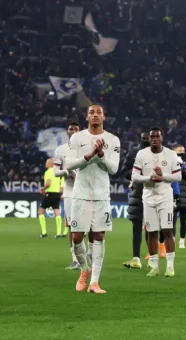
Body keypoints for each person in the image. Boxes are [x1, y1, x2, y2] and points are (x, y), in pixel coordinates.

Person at [64, 104, 121, 294]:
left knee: (99, 236)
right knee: (76, 237)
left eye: (99, 112)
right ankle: (84, 269)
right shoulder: (77, 138)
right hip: (80, 194)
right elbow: (69, 164)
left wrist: (102, 155)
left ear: (104, 117)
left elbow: (114, 169)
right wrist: (89, 156)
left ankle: (94, 282)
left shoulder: (113, 140)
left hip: (101, 195)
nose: (95, 115)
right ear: (86, 117)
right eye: (91, 112)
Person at [131, 128, 182, 277]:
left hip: (165, 198)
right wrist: (149, 178)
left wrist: (162, 176)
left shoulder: (170, 154)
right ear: (149, 139)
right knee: (151, 232)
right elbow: (134, 176)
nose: (154, 139)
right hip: (148, 198)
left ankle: (170, 266)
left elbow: (178, 176)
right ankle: (154, 266)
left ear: (162, 138)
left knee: (167, 231)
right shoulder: (142, 154)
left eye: (157, 136)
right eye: (151, 136)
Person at [54, 121, 83, 269]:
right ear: (67, 132)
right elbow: (55, 172)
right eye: (71, 129)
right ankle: (75, 259)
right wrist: (66, 172)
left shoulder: (86, 148)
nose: (73, 131)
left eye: (76, 129)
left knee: (87, 226)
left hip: (85, 191)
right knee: (72, 226)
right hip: (70, 192)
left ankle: (88, 255)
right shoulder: (60, 150)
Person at [122, 132, 150, 269]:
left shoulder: (160, 153)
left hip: (154, 192)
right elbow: (125, 171)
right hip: (138, 192)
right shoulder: (133, 152)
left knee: (152, 226)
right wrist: (137, 175)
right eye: (144, 138)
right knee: (137, 226)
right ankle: (136, 258)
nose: (146, 140)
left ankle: (152, 258)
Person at [172, 145, 186, 249]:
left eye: (183, 150)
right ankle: (172, 240)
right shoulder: (170, 162)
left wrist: (180, 166)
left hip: (185, 195)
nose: (182, 152)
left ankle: (182, 242)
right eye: (180, 151)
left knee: (183, 220)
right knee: (172, 220)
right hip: (173, 194)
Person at [38, 158, 63, 239]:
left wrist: (42, 189)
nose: (45, 164)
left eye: (46, 162)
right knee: (57, 212)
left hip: (50, 194)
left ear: (50, 164)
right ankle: (58, 233)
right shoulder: (58, 172)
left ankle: (44, 232)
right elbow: (60, 185)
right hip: (57, 194)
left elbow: (48, 183)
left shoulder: (48, 172)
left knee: (41, 211)